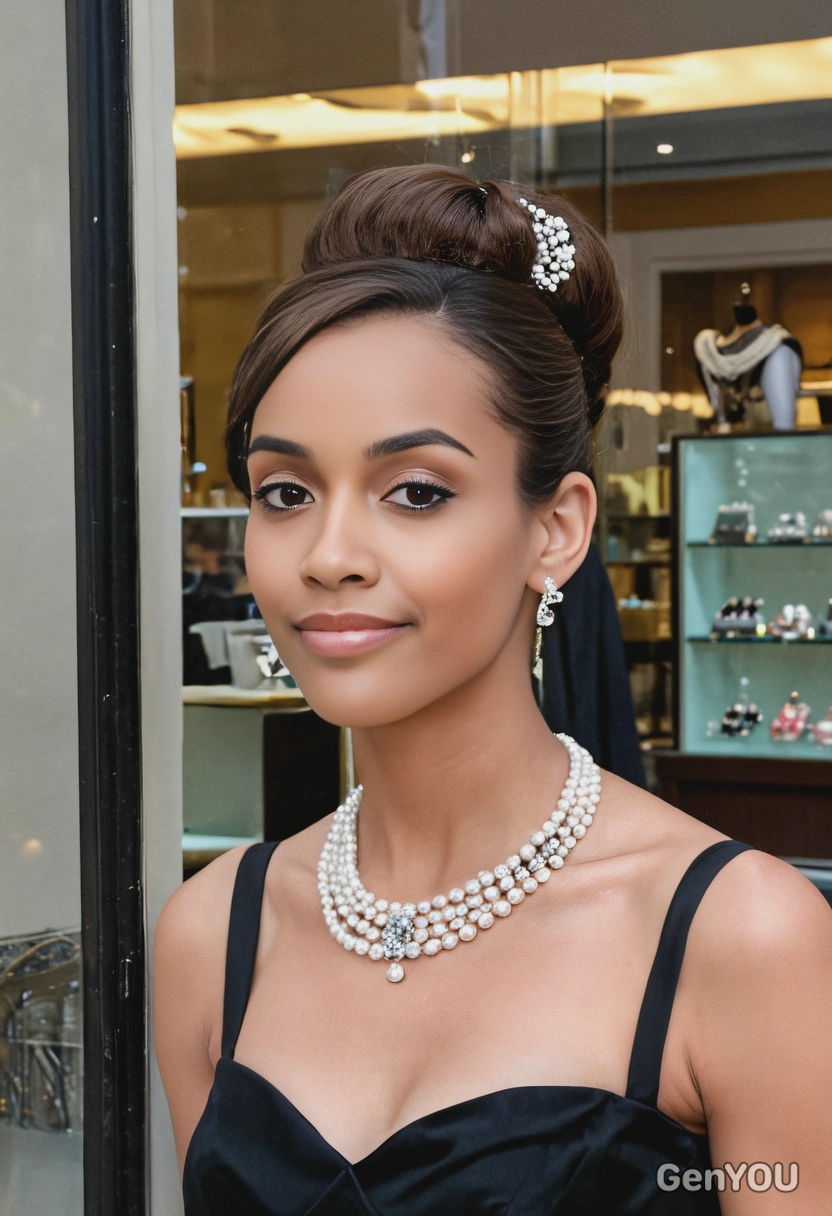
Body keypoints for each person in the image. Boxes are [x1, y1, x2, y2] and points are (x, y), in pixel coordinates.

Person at [154, 165, 832, 1214]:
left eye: (415, 492)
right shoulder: (214, 934)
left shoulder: (736, 937)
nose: (328, 554)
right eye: (284, 492)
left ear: (555, 528)